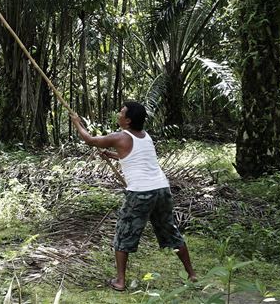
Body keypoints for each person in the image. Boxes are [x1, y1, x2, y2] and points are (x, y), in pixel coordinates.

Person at [70, 101, 197, 291]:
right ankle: (192, 274)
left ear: (128, 121)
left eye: (121, 113)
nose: (118, 115)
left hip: (141, 192)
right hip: (162, 189)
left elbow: (90, 140)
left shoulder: (120, 136)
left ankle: (120, 281)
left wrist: (77, 123)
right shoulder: (145, 137)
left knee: (124, 233)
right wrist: (112, 155)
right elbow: (134, 156)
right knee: (170, 231)